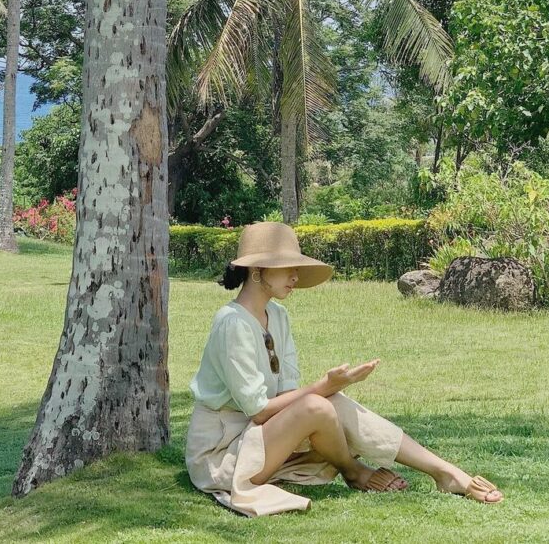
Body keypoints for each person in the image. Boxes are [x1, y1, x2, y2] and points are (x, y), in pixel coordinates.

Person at [185, 220, 504, 517]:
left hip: (261, 438)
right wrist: (322, 386)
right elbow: (259, 410)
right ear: (256, 272)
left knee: (329, 402)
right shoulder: (232, 324)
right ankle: (354, 471)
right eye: (287, 268)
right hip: (223, 453)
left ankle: (444, 472)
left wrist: (331, 388)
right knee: (316, 403)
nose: (295, 276)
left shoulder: (278, 315)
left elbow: (286, 394)